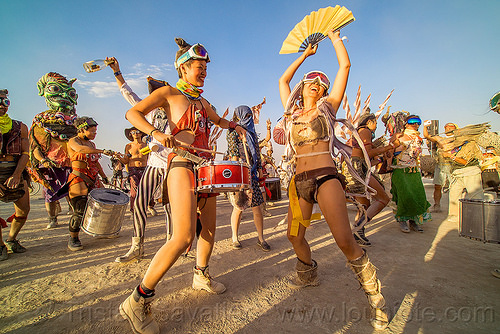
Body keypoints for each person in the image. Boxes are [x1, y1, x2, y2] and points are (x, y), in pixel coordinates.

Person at [119, 38, 246, 334]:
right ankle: (138, 300)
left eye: (205, 68)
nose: (203, 72)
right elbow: (132, 113)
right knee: (183, 235)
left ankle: (201, 275)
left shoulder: (203, 102)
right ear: (183, 67)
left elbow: (219, 121)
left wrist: (235, 126)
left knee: (211, 230)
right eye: (198, 67)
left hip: (205, 169)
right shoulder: (169, 93)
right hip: (181, 165)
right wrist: (154, 132)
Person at [273, 30, 388, 330]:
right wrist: (305, 56)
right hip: (298, 182)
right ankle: (308, 270)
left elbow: (345, 67)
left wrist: (336, 38)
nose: (318, 83)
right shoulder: (291, 113)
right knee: (294, 236)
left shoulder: (328, 107)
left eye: (322, 83)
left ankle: (376, 298)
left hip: (325, 177)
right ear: (304, 86)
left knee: (343, 240)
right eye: (313, 80)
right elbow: (283, 81)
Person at [107, 57, 172, 263]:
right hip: (153, 163)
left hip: (171, 165)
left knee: (170, 207)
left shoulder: (177, 111)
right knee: (140, 203)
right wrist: (117, 72)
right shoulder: (151, 112)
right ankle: (137, 246)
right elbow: (128, 94)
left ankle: (172, 246)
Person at [29, 72, 78, 229]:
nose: (64, 96)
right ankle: (52, 217)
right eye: (56, 89)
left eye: (69, 92)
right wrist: (43, 160)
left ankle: (75, 216)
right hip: (50, 164)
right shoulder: (41, 121)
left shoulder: (75, 122)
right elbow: (35, 146)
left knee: (74, 192)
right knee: (51, 195)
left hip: (71, 163)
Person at [346, 112, 399, 246]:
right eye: (375, 122)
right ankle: (359, 226)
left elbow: (368, 156)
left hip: (355, 166)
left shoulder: (359, 132)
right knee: (383, 199)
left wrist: (381, 155)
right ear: (369, 122)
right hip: (358, 166)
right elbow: (367, 154)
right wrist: (390, 147)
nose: (376, 126)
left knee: (364, 206)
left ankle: (358, 232)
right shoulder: (365, 131)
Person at [227, 105, 270, 251]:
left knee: (257, 207)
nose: (248, 119)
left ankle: (261, 238)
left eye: (249, 116)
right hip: (240, 175)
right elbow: (233, 153)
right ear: (238, 117)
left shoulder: (252, 134)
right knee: (239, 207)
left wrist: (259, 168)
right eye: (245, 116)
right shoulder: (233, 133)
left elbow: (256, 152)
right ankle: (235, 237)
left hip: (252, 174)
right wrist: (238, 168)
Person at [66, 117, 113, 251]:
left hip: (93, 177)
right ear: (82, 129)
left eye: (95, 132)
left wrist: (104, 177)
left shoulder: (92, 145)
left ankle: (100, 231)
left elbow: (96, 162)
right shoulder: (73, 141)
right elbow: (81, 150)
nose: (94, 134)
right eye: (92, 131)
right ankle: (73, 238)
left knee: (103, 204)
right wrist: (102, 151)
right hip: (79, 177)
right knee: (79, 210)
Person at [0, 89, 30, 259]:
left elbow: (25, 153)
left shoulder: (20, 127)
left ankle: (12, 238)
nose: (2, 106)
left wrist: (18, 174)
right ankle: (0, 246)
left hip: (14, 169)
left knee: (23, 210)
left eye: (5, 102)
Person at [391, 115, 431, 232]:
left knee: (417, 195)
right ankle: (402, 221)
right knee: (403, 196)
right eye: (412, 122)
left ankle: (414, 222)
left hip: (413, 171)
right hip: (400, 170)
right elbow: (389, 150)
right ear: (406, 124)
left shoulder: (418, 138)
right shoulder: (399, 136)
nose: (415, 124)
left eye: (418, 122)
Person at [441, 132, 483, 222]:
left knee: (475, 195)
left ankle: (477, 216)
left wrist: (450, 156)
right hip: (457, 173)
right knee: (454, 194)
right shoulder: (455, 147)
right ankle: (454, 215)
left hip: (470, 172)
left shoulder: (470, 145)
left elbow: (465, 162)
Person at [119, 126, 157, 215]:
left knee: (148, 188)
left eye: (137, 131)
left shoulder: (146, 145)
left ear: (141, 133)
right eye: (133, 132)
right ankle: (134, 209)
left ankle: (150, 206)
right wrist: (128, 170)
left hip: (145, 168)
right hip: (133, 169)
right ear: (130, 135)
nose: (135, 134)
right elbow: (126, 160)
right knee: (135, 190)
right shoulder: (129, 146)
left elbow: (150, 157)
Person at [423, 121, 458, 212]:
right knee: (437, 186)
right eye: (447, 127)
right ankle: (437, 205)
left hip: (453, 166)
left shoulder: (458, 139)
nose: (449, 128)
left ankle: (455, 208)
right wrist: (425, 126)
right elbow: (427, 136)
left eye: (451, 127)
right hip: (441, 166)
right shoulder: (440, 139)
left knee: (455, 187)